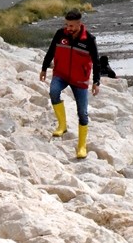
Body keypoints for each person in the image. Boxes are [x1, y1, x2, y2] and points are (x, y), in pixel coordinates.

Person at [40, 10, 102, 159]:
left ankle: (81, 146)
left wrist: (96, 81)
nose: (69, 28)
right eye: (67, 25)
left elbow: (96, 62)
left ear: (80, 24)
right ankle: (62, 125)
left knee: (82, 113)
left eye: (72, 25)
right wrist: (44, 68)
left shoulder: (89, 40)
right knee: (53, 91)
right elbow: (50, 51)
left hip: (79, 80)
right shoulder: (60, 34)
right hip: (60, 75)